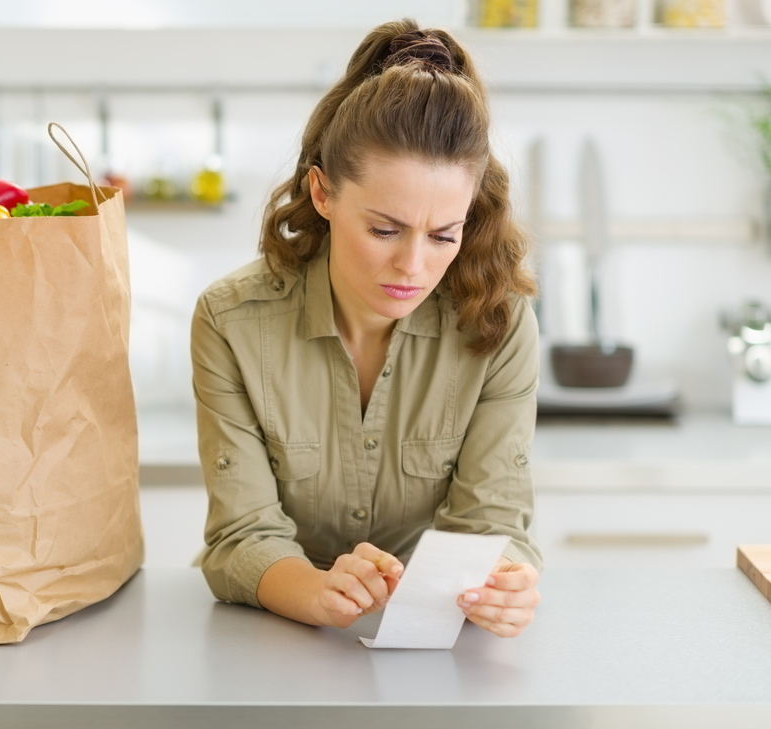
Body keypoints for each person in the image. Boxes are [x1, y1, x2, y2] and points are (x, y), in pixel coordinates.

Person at [190, 18, 542, 638]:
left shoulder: (499, 323)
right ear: (323, 193)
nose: (414, 266)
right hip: (282, 642)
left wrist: (503, 583)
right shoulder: (231, 322)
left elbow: (492, 525)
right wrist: (316, 593)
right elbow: (240, 538)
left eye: (443, 235)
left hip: (442, 649)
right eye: (384, 229)